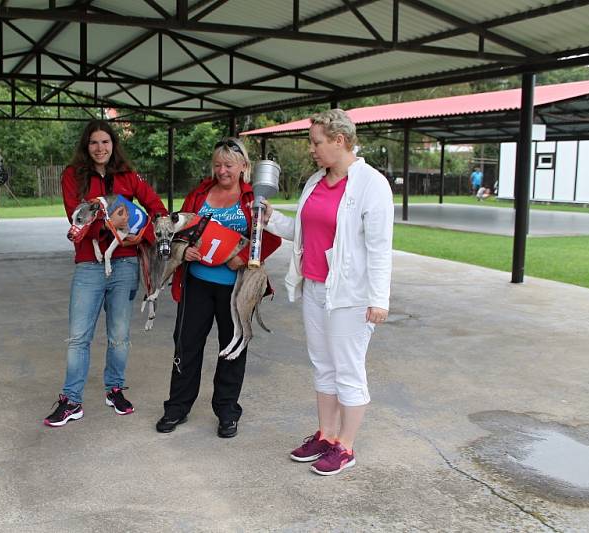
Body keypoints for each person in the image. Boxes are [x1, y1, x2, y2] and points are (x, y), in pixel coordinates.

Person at [263, 109, 394, 476]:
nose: (311, 150)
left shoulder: (371, 184)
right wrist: (271, 219)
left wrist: (378, 300)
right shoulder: (316, 181)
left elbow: (380, 247)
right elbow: (305, 229)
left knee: (348, 370)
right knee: (322, 365)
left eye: (316, 142)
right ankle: (326, 434)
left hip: (351, 295)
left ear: (340, 141)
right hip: (315, 287)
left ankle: (346, 446)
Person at [155, 137, 282, 438]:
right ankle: (177, 407)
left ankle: (227, 411)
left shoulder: (254, 198)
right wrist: (182, 251)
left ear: (243, 167)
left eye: (228, 164)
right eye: (217, 165)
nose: (222, 170)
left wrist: (248, 257)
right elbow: (178, 231)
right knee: (186, 346)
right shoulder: (200, 194)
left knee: (233, 348)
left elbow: (270, 237)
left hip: (235, 289)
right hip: (197, 283)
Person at [44, 120, 167, 427]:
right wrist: (112, 226)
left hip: (124, 263)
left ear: (114, 145)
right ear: (86, 147)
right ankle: (71, 400)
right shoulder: (73, 175)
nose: (100, 148)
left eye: (106, 142)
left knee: (119, 336)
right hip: (89, 264)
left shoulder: (128, 175)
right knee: (78, 337)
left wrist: (142, 233)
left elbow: (157, 208)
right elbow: (77, 219)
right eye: (94, 143)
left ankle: (115, 389)